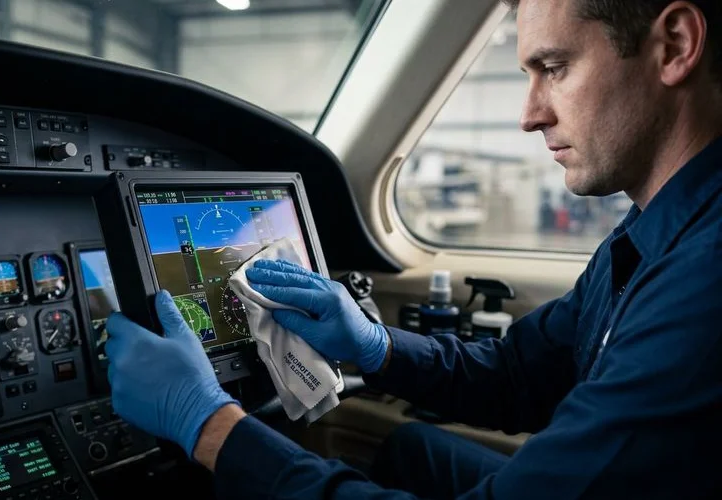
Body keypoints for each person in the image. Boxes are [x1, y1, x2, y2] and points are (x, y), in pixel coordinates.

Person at [103, 0, 722, 498]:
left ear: (673, 46)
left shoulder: (702, 287)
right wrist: (377, 348)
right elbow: (519, 375)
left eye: (554, 68)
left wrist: (208, 426)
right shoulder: (652, 231)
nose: (529, 115)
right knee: (407, 448)